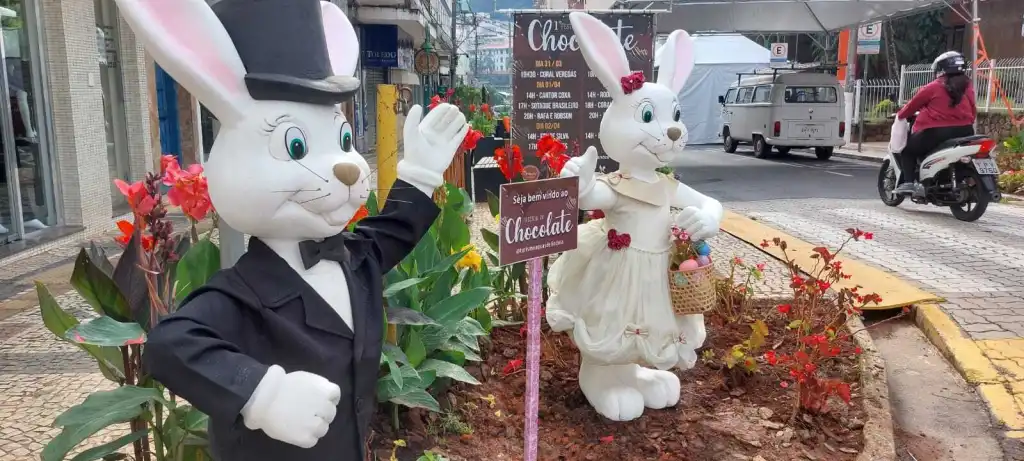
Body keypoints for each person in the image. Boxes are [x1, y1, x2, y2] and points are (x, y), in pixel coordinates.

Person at [894, 51, 977, 197]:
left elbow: (911, 107)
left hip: (936, 133)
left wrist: (900, 115)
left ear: (940, 69)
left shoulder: (933, 87)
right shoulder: (968, 86)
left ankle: (908, 182)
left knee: (908, 151)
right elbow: (973, 109)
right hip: (966, 131)